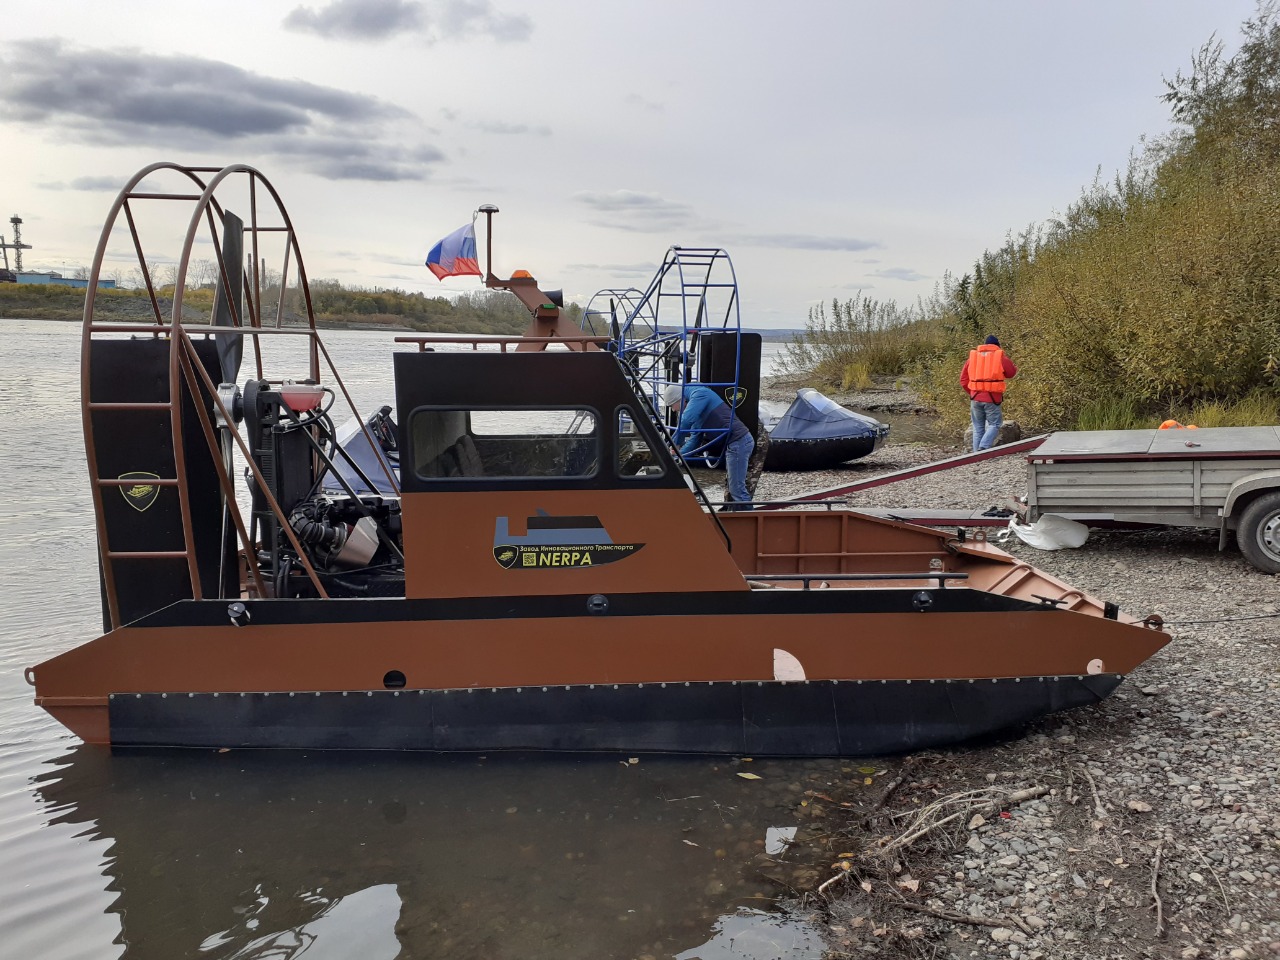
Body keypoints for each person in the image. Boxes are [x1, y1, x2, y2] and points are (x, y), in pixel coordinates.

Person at [662, 382, 755, 509]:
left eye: (672, 405)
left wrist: (675, 444)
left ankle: (750, 521)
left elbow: (685, 421)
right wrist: (677, 456)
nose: (673, 410)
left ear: (680, 399)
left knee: (737, 490)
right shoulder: (697, 409)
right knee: (734, 488)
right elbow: (694, 440)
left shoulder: (700, 394)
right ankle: (742, 519)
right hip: (734, 444)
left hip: (738, 442)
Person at [960, 335, 1017, 452]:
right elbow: (1011, 373)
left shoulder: (972, 359)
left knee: (978, 427)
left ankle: (977, 455)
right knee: (995, 424)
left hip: (975, 397)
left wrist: (972, 392)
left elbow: (963, 380)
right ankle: (984, 447)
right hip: (992, 398)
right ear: (997, 346)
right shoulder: (1000, 358)